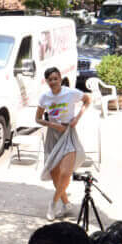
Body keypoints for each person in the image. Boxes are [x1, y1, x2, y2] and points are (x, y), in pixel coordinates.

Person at [35, 68, 90, 220]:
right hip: (53, 135)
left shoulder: (70, 93)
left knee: (66, 173)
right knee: (55, 174)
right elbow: (37, 119)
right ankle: (66, 203)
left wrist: (77, 118)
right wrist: (52, 125)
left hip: (68, 133)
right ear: (46, 81)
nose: (53, 82)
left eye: (55, 78)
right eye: (50, 80)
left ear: (60, 78)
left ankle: (53, 204)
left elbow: (87, 100)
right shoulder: (44, 97)